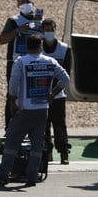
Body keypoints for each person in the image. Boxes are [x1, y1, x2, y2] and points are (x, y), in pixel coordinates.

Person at [0, 34, 69, 187]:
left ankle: (2, 175)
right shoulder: (50, 61)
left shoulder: (21, 62)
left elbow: (13, 84)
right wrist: (53, 93)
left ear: (27, 46)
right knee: (37, 144)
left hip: (25, 108)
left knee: (12, 142)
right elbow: (65, 79)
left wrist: (12, 101)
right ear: (40, 46)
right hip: (42, 109)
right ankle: (32, 176)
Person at [0, 0, 44, 130]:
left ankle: (32, 128)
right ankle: (10, 128)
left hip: (36, 63)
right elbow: (2, 40)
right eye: (21, 2)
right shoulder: (13, 21)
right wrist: (17, 30)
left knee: (33, 95)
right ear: (18, 5)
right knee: (13, 95)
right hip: (16, 62)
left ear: (32, 2)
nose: (25, 3)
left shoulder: (40, 20)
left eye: (27, 1)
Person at [41, 18, 72, 164]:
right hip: (41, 95)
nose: (49, 33)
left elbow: (66, 75)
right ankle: (47, 152)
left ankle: (64, 152)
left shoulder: (64, 49)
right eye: (46, 30)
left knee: (59, 125)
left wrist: (53, 92)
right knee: (43, 126)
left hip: (58, 94)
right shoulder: (37, 49)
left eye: (51, 30)